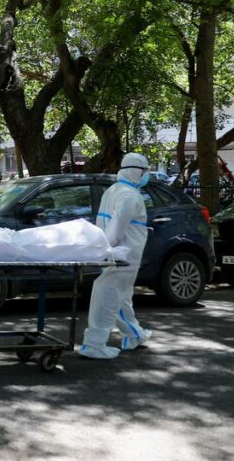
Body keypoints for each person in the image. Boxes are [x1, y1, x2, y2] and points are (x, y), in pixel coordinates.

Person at [79, 153, 153, 359]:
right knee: (110, 296)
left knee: (121, 296)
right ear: (137, 172)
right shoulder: (130, 196)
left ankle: (133, 335)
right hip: (123, 254)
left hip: (116, 253)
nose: (147, 175)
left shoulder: (114, 190)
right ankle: (94, 343)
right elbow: (117, 228)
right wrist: (106, 249)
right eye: (145, 170)